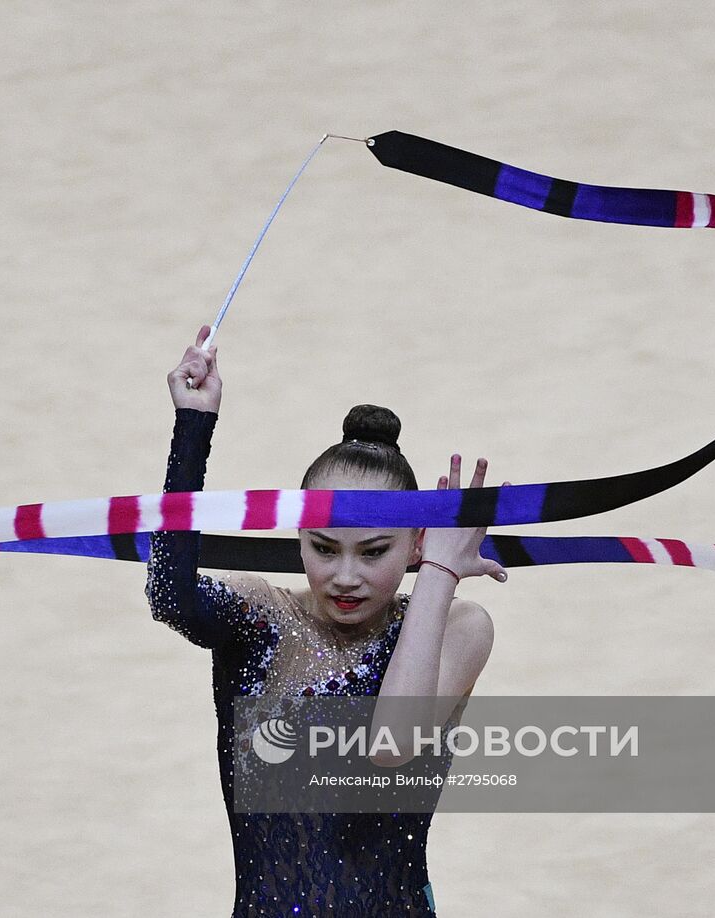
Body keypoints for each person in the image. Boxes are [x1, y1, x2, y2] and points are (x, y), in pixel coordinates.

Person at [146, 325, 502, 916]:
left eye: (373, 552)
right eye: (324, 547)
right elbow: (171, 595)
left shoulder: (458, 627)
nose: (345, 575)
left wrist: (441, 572)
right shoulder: (262, 619)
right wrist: (193, 424)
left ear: (415, 544)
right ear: (300, 539)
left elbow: (392, 742)